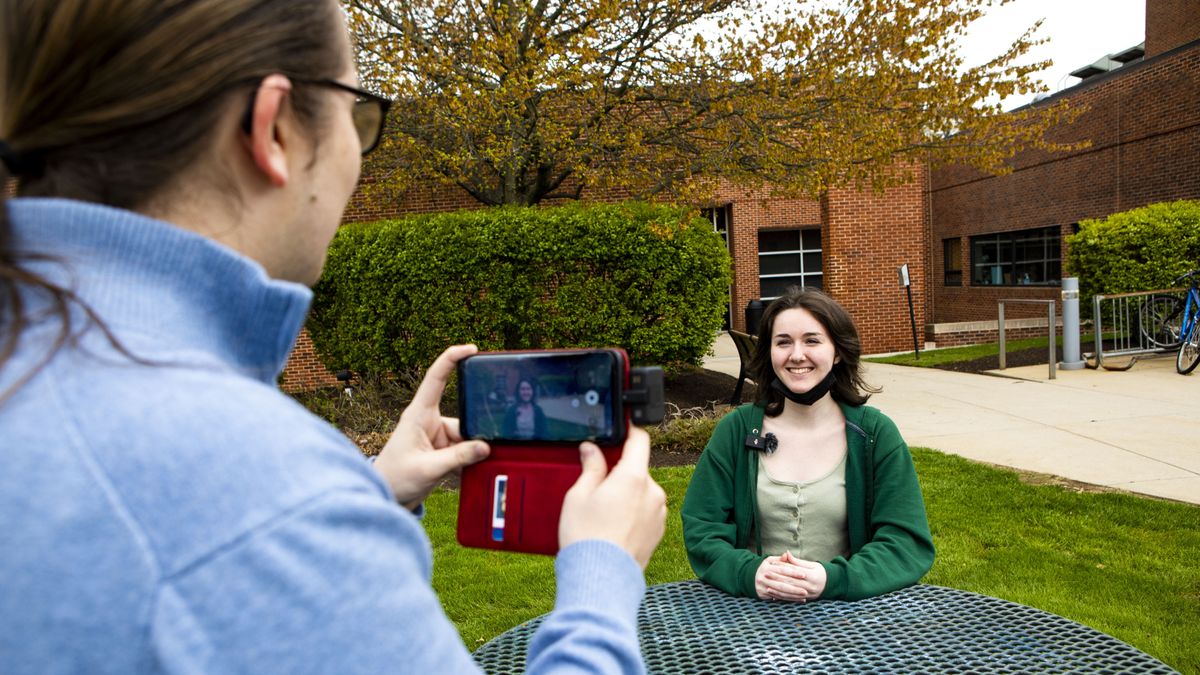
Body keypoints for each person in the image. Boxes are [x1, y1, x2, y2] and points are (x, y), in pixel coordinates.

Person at [0, 1, 666, 672]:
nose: (357, 150)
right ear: (275, 128)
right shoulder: (258, 482)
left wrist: (367, 496)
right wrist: (603, 573)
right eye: (358, 111)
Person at [681, 287, 933, 602]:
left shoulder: (874, 434)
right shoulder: (736, 430)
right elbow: (702, 529)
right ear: (769, 352)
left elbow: (906, 544)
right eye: (783, 342)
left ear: (838, 351)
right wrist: (751, 573)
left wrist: (832, 579)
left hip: (850, 619)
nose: (797, 355)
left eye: (812, 340)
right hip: (748, 616)